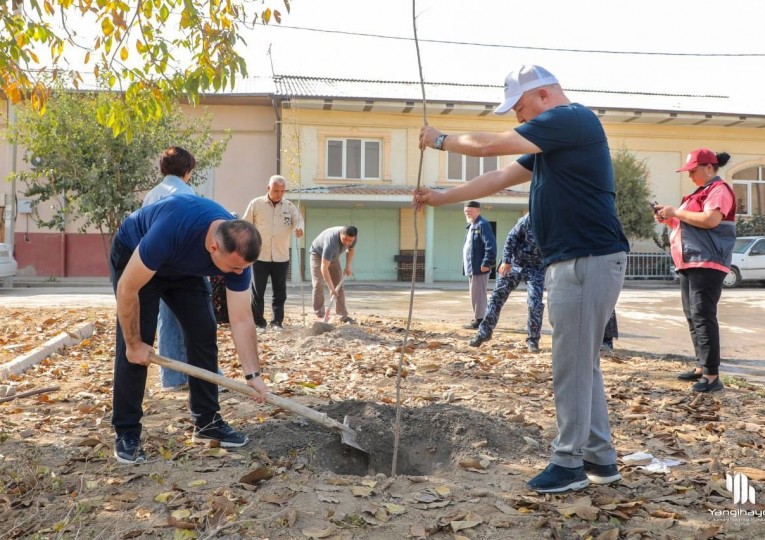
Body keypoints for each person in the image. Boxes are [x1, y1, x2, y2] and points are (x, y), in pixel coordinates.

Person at [416, 64, 629, 494]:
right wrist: (441, 198)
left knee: (570, 365)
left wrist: (439, 139)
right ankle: (599, 458)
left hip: (584, 259)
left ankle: (568, 463)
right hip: (583, 260)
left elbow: (491, 146)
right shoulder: (556, 143)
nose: (517, 116)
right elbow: (497, 177)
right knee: (582, 364)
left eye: (520, 106)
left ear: (545, 95)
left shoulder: (570, 120)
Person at [109, 193, 268, 464]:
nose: (239, 274)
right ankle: (126, 432)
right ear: (214, 247)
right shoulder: (170, 231)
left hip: (183, 268)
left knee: (204, 331)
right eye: (234, 268)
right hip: (135, 255)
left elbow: (241, 318)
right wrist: (134, 344)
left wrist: (253, 374)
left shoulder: (237, 254)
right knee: (136, 343)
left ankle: (207, 422)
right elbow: (128, 288)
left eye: (244, 268)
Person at [654, 149, 735, 393]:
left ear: (709, 168)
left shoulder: (718, 190)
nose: (690, 175)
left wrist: (675, 212)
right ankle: (702, 366)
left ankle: (712, 375)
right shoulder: (699, 193)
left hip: (706, 261)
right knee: (693, 315)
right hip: (689, 261)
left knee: (702, 315)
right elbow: (691, 223)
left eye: (693, 171)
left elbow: (710, 220)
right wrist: (669, 219)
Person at [142, 147, 199, 390]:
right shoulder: (187, 193)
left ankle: (173, 378)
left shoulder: (152, 195)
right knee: (195, 322)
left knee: (166, 320)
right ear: (187, 170)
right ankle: (203, 374)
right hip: (181, 264)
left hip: (152, 264)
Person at [469, 213, 544, 352]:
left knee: (535, 303)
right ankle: (483, 333)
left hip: (536, 267)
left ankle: (533, 340)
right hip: (515, 263)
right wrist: (506, 261)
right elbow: (511, 237)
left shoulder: (558, 223)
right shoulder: (531, 218)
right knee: (497, 297)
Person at [242, 175, 304, 330]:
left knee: (280, 292)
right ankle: (258, 323)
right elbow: (245, 225)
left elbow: (299, 221)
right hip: (259, 256)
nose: (279, 194)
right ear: (268, 188)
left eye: (282, 191)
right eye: (276, 190)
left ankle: (277, 322)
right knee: (258, 292)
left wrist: (299, 229)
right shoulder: (256, 204)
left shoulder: (289, 207)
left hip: (281, 256)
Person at [309, 225, 357, 323]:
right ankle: (320, 314)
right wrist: (331, 288)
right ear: (341, 234)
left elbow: (351, 250)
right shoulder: (331, 241)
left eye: (350, 241)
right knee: (318, 284)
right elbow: (324, 267)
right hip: (317, 254)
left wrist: (348, 266)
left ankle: (343, 316)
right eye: (345, 239)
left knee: (339, 286)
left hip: (334, 256)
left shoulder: (353, 238)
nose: (347, 243)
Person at [462, 201, 497, 329]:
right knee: (474, 293)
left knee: (479, 293)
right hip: (472, 266)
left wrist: (486, 262)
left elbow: (491, 246)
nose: (467, 213)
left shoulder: (483, 225)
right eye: (466, 211)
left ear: (478, 211)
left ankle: (480, 320)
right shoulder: (471, 225)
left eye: (470, 211)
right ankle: (478, 317)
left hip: (479, 265)